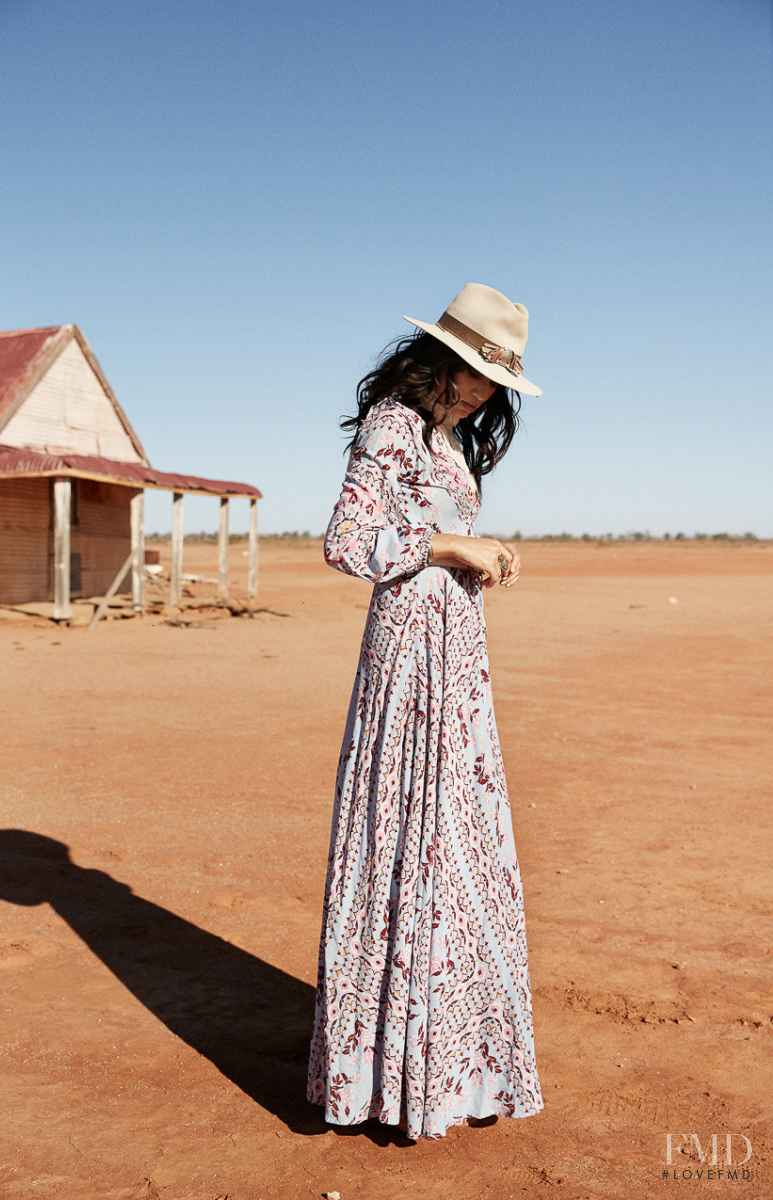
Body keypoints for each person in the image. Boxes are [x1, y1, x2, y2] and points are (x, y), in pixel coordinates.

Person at [307, 283, 544, 1141]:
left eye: (495, 380)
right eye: (475, 368)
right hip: (408, 660)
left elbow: (434, 539)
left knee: (458, 845)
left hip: (459, 661)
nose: (482, 390)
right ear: (437, 357)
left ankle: (454, 1068)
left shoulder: (447, 445)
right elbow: (347, 541)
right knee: (408, 835)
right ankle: (384, 1077)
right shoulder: (391, 427)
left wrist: (484, 559)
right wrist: (451, 544)